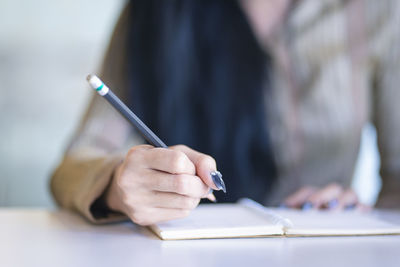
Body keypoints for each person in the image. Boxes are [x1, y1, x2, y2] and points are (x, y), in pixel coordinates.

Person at [51, 0, 400, 225]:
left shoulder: (375, 11)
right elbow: (74, 166)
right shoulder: (152, 11)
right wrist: (119, 185)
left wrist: (359, 220)